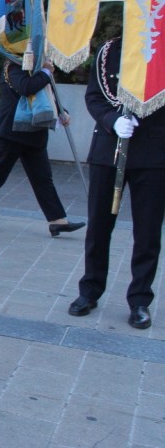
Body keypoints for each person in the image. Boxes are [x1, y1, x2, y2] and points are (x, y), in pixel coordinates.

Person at [68, 38, 165, 330]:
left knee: (147, 232)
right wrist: (112, 120)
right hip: (108, 149)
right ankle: (89, 291)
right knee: (98, 226)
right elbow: (95, 96)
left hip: (152, 152)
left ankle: (139, 300)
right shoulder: (109, 51)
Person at [0, 57, 85, 237]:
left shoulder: (38, 70)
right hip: (12, 132)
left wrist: (61, 111)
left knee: (42, 178)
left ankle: (57, 220)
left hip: (34, 132)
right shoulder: (14, 66)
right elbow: (26, 87)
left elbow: (44, 96)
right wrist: (46, 72)